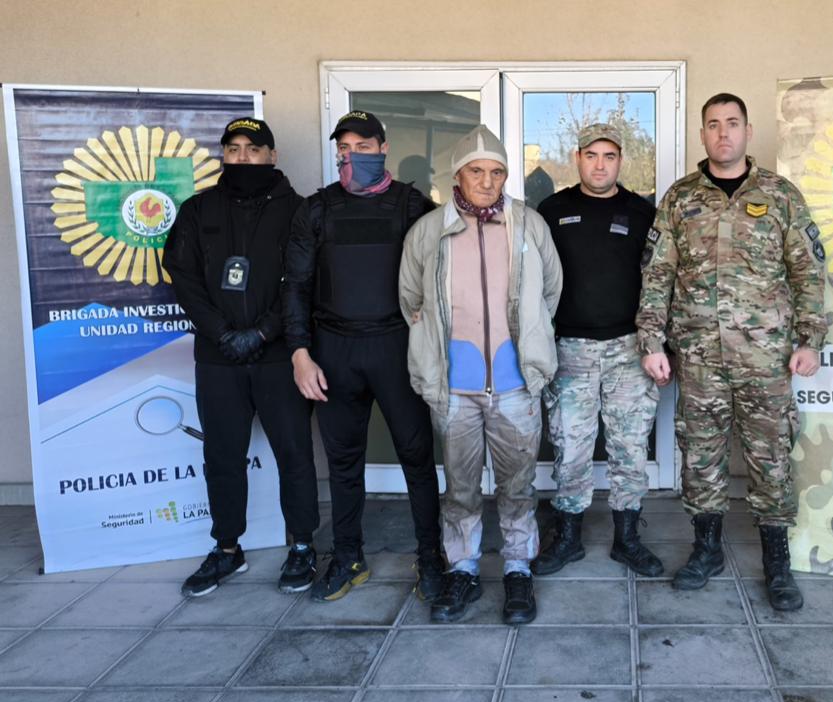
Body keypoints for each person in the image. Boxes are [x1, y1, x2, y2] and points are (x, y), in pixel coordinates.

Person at [636, 93, 827, 611]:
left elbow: (808, 273)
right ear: (702, 134)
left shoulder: (780, 196)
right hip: (699, 357)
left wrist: (810, 340)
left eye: (732, 123)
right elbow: (658, 275)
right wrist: (651, 341)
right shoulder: (680, 199)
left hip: (766, 359)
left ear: (748, 131)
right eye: (714, 124)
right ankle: (706, 550)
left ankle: (777, 563)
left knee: (771, 458)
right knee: (701, 458)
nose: (723, 133)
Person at [399, 125, 562, 624]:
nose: (488, 181)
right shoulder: (429, 230)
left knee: (518, 486)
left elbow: (550, 292)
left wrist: (530, 342)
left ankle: (517, 568)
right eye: (477, 171)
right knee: (461, 488)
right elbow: (411, 299)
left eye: (497, 172)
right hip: (455, 388)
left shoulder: (528, 224)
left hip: (515, 385)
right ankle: (463, 568)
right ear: (458, 175)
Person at [283, 110, 444, 603]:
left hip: (396, 346)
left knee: (417, 456)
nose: (352, 156)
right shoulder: (316, 209)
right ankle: (348, 556)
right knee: (343, 461)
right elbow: (296, 286)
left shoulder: (414, 206)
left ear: (383, 149)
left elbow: (441, 277)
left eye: (363, 147)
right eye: (344, 149)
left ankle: (431, 556)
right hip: (334, 349)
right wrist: (300, 354)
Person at [164, 117, 319, 597]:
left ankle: (303, 545)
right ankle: (227, 548)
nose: (243, 157)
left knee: (294, 454)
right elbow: (183, 277)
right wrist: (222, 333)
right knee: (222, 456)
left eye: (253, 149)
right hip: (218, 357)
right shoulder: (197, 210)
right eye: (234, 149)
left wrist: (264, 331)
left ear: (272, 156)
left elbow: (304, 281)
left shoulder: (298, 210)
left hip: (279, 355)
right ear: (223, 155)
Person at [531, 123, 662, 578]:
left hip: (629, 349)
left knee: (630, 447)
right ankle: (568, 538)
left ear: (620, 160)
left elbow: (659, 282)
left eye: (609, 156)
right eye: (591, 156)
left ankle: (628, 539)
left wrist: (657, 344)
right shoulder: (552, 210)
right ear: (578, 158)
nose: (600, 165)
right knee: (570, 447)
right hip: (570, 349)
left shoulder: (642, 212)